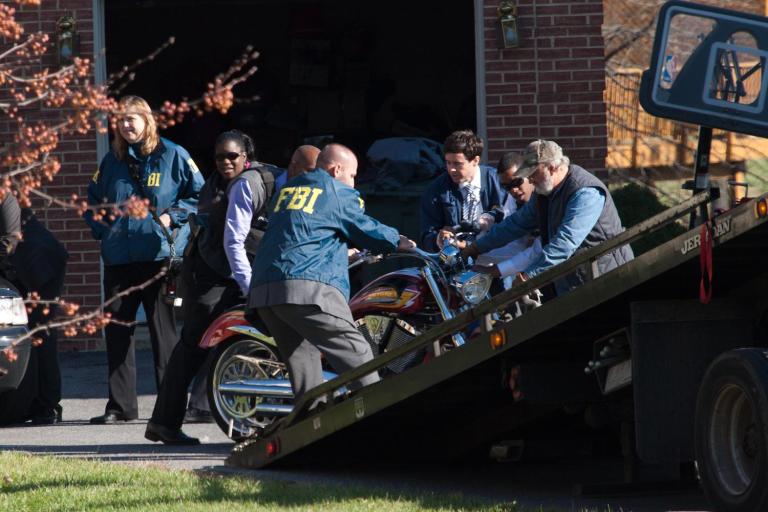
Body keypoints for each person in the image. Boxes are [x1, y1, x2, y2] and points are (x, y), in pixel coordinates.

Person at [247, 143, 415, 410]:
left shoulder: (288, 191)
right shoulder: (336, 190)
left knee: (306, 374)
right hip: (308, 288)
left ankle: (308, 431)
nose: (354, 181)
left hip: (267, 292)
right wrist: (399, 240)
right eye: (353, 175)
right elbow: (364, 227)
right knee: (356, 350)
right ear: (337, 169)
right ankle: (385, 413)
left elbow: (303, 233)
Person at [145, 130, 276, 444]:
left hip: (229, 274)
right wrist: (246, 284)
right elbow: (229, 245)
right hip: (210, 277)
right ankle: (164, 422)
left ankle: (197, 411)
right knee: (193, 346)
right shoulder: (217, 189)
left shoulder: (255, 181)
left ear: (246, 156)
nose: (226, 162)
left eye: (232, 156)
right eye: (220, 157)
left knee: (215, 344)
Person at [84, 95, 204, 425]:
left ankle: (169, 407)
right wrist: (103, 230)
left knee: (163, 335)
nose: (125, 125)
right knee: (119, 332)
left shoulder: (173, 155)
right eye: (120, 120)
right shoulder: (112, 160)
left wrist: (174, 217)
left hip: (158, 257)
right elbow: (91, 201)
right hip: (119, 258)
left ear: (147, 120)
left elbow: (199, 195)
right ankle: (120, 407)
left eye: (131, 119)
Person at [462, 140, 634, 296]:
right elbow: (516, 224)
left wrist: (530, 275)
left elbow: (565, 243)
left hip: (609, 280)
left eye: (533, 173)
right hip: (574, 284)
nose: (529, 179)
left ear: (552, 167)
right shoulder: (543, 193)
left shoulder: (585, 192)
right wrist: (476, 248)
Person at [0, 197, 68, 425]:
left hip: (40, 265)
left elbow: (10, 239)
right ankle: (31, 402)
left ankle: (49, 406)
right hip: (18, 271)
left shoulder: (4, 194)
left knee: (42, 332)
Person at [419, 130, 505, 251]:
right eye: (448, 163)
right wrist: (439, 238)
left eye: (457, 164)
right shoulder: (436, 190)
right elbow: (427, 235)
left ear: (475, 160)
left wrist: (489, 218)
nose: (451, 169)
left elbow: (512, 219)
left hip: (498, 255)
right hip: (456, 260)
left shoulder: (497, 181)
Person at [475, 153, 542, 288]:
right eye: (507, 187)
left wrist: (495, 271)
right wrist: (475, 252)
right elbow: (513, 243)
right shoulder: (513, 202)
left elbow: (537, 250)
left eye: (517, 182)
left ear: (529, 175)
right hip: (533, 271)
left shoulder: (545, 197)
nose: (514, 190)